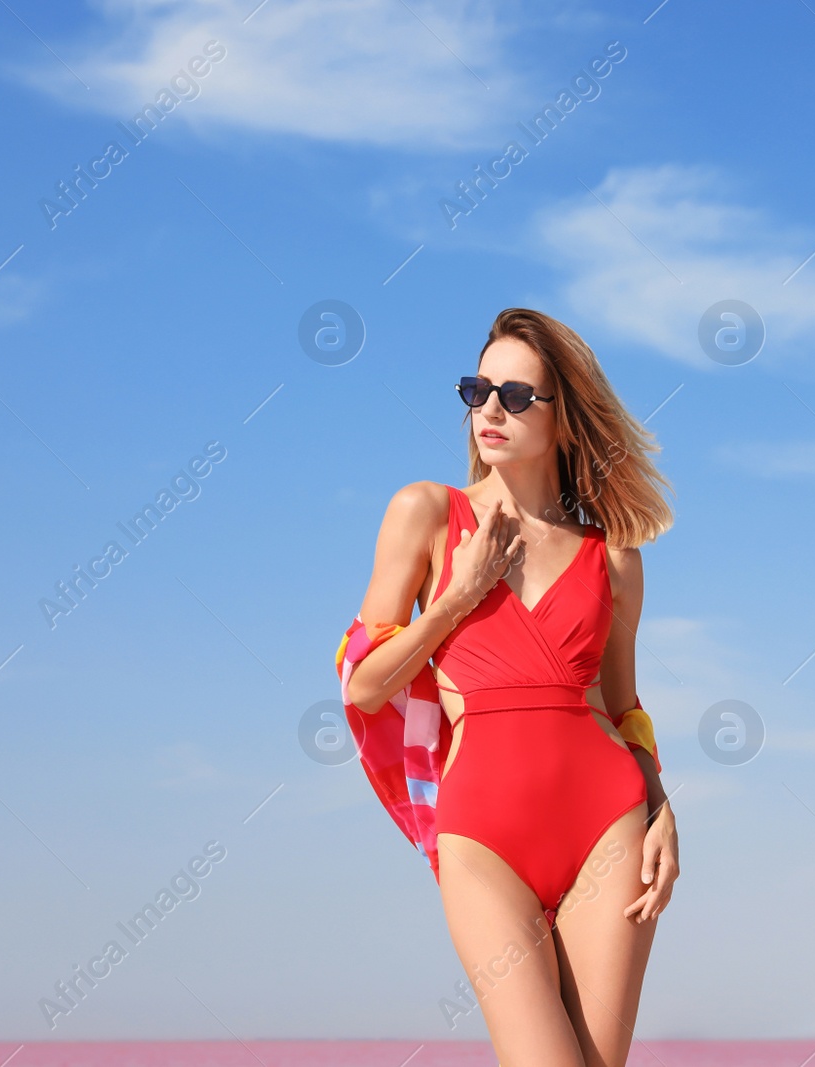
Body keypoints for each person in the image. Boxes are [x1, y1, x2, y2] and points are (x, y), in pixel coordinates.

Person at [338, 308, 680, 1064]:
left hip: (609, 826)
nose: (489, 410)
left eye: (517, 395)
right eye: (478, 389)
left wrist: (663, 809)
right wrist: (456, 598)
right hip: (483, 839)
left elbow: (622, 708)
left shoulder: (615, 559)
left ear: (565, 418)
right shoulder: (426, 513)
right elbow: (363, 688)